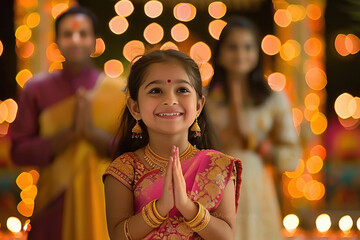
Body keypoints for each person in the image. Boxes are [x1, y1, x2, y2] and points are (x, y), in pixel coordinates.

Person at [9, 6, 126, 240]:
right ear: (57, 41)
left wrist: (92, 134)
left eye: (83, 34)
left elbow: (134, 150)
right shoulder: (37, 89)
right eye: (67, 34)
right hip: (53, 203)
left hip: (105, 203)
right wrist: (67, 137)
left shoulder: (118, 91)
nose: (75, 40)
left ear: (94, 42)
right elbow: (18, 152)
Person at [103, 49, 242, 240]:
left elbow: (226, 236)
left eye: (182, 90)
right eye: (156, 91)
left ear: (198, 106)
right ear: (135, 108)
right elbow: (118, 236)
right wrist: (160, 208)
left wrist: (187, 207)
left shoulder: (217, 166)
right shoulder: (125, 169)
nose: (170, 100)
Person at [207, 16, 301, 240]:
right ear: (219, 53)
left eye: (248, 47)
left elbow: (291, 157)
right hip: (211, 184)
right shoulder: (204, 98)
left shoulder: (273, 99)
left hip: (255, 186)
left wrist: (257, 145)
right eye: (233, 47)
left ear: (257, 54)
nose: (241, 54)